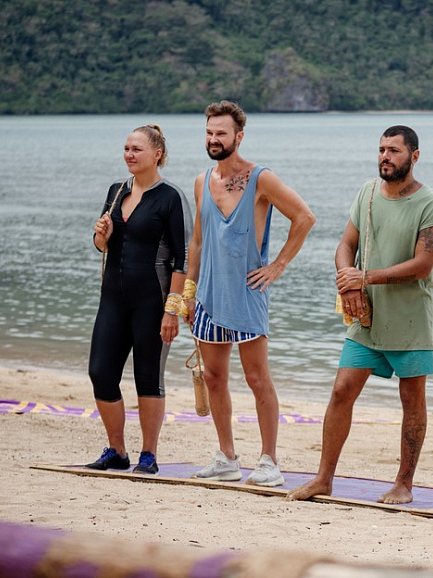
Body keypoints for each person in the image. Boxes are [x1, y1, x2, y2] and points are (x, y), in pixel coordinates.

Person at [286, 125, 433, 504]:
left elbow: (423, 265)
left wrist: (366, 277)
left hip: (411, 317)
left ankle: (404, 484)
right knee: (342, 390)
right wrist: (349, 283)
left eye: (394, 150)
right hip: (366, 317)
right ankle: (323, 478)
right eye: (381, 149)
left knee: (411, 399)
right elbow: (346, 244)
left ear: (414, 156)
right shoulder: (367, 193)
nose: (385, 157)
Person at [181, 100, 316, 486]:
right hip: (208, 297)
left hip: (247, 294)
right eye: (209, 132)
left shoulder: (261, 179)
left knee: (258, 379)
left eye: (221, 133)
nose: (213, 139)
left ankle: (269, 461)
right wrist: (189, 293)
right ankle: (226, 457)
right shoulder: (201, 181)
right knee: (215, 379)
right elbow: (198, 241)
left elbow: (305, 217)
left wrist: (277, 265)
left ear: (238, 136)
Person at [86, 124, 192, 475]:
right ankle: (116, 450)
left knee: (148, 377)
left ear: (157, 154)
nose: (129, 155)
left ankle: (149, 454)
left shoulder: (170, 197)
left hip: (152, 300)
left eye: (137, 149)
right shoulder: (116, 192)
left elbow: (183, 258)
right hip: (113, 298)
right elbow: (102, 246)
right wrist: (102, 236)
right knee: (101, 372)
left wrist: (172, 310)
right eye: (127, 148)